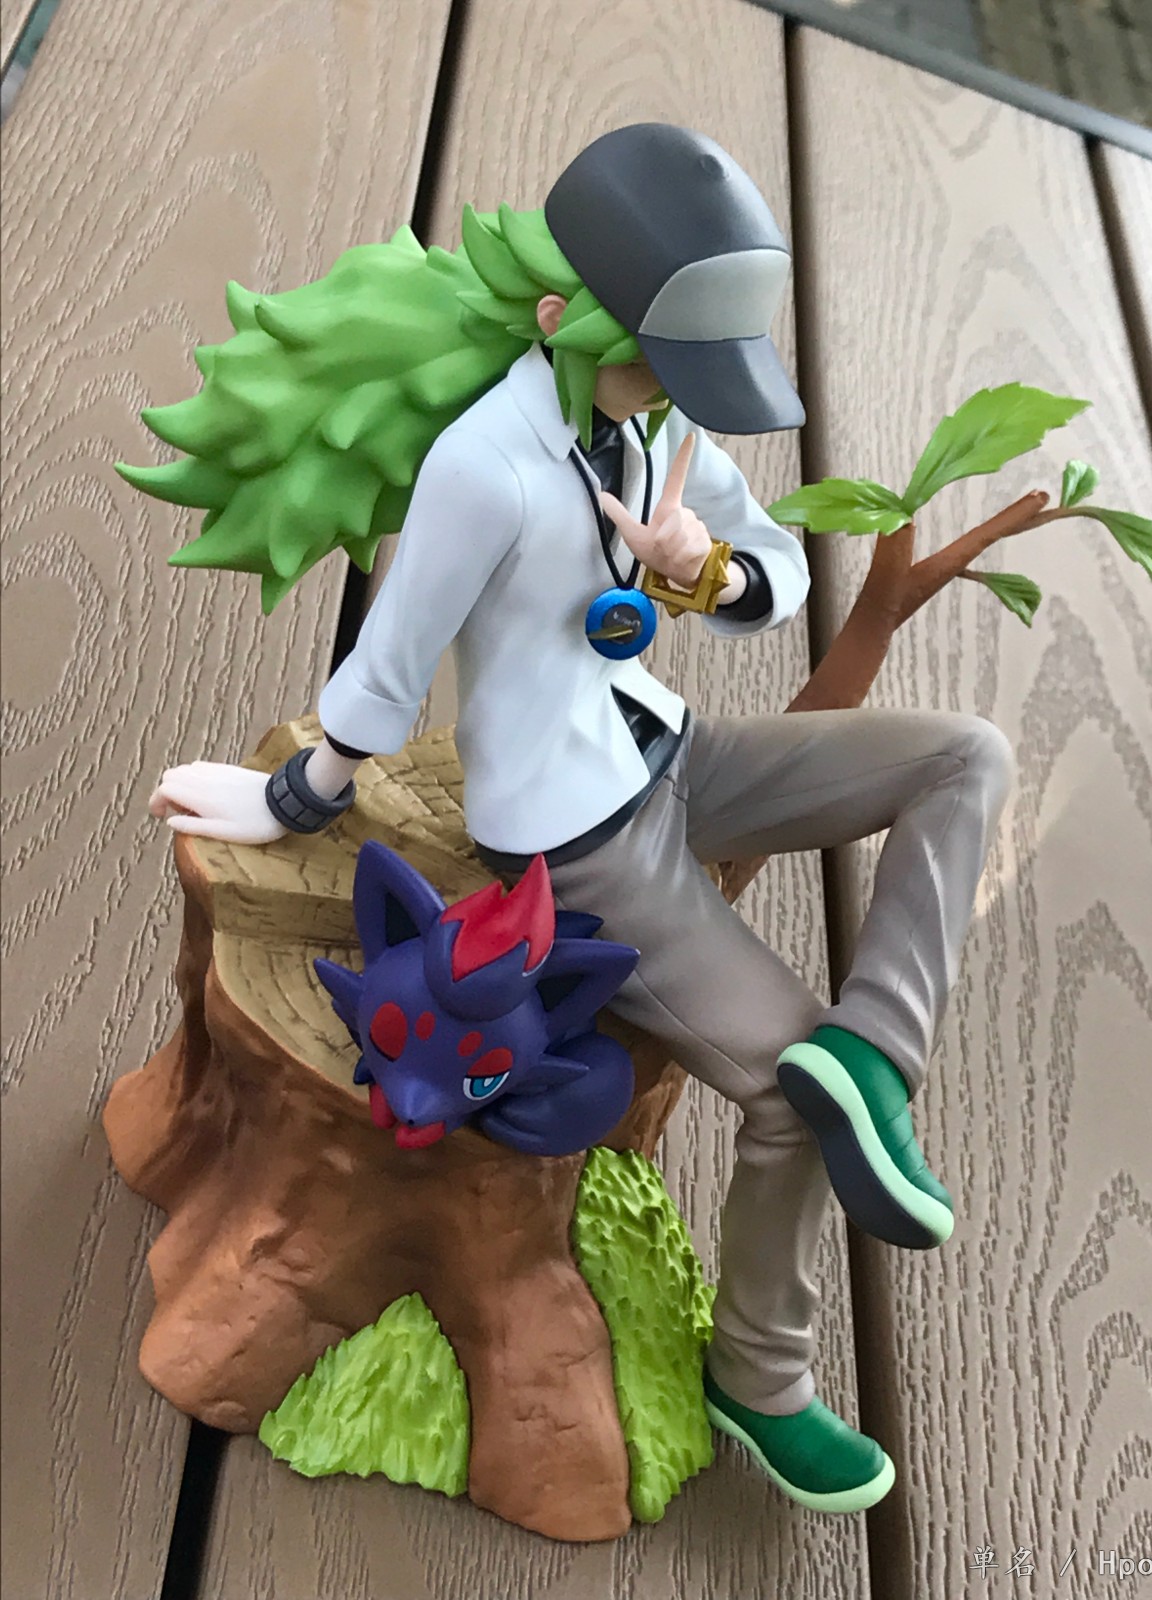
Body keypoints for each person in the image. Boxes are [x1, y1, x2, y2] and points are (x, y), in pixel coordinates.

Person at [142, 123, 1014, 1514]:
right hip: (576, 831)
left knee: (964, 756)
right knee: (787, 1096)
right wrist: (293, 795)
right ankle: (763, 1372)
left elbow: (779, 571)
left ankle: (879, 1053)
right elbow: (388, 665)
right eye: (653, 360)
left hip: (670, 748)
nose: (671, 391)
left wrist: (701, 568)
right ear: (559, 318)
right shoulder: (486, 466)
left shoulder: (658, 425)